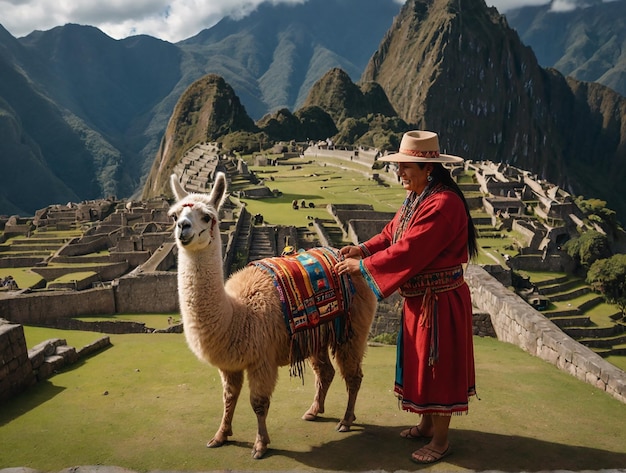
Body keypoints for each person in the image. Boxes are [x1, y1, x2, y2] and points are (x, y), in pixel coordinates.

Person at [335, 130, 478, 464]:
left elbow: (410, 249)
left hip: (440, 302)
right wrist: (363, 248)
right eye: (399, 166)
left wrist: (363, 266)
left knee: (437, 366)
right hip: (421, 299)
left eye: (406, 167)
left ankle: (441, 441)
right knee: (421, 363)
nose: (400, 173)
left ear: (428, 169)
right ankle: (427, 424)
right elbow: (393, 232)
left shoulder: (443, 204)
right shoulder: (419, 197)